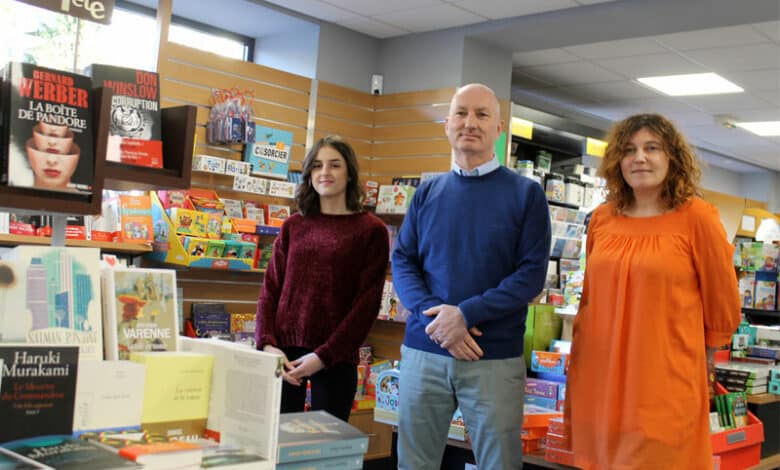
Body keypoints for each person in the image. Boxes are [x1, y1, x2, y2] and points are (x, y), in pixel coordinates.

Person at [566, 113, 741, 469]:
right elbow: (590, 300)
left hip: (664, 380)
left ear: (672, 157)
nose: (639, 158)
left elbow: (722, 302)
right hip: (599, 376)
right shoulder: (602, 219)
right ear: (618, 161)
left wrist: (702, 361)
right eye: (629, 150)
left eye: (652, 148)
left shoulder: (698, 218)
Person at [392, 83, 551, 469]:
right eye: (461, 113)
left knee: (498, 462)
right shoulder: (427, 192)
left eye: (482, 114)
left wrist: (465, 315)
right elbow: (403, 260)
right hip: (424, 351)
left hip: (491, 356)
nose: (470, 123)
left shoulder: (526, 195)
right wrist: (438, 317)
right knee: (414, 462)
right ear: (447, 124)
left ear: (499, 128)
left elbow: (529, 276)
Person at [255, 135, 389, 422]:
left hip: (335, 360)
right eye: (317, 166)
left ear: (350, 173)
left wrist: (324, 356)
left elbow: (366, 306)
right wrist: (267, 344)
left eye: (334, 165)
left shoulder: (371, 231)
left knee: (327, 455)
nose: (324, 173)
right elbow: (270, 289)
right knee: (275, 451)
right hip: (283, 357)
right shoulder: (294, 224)